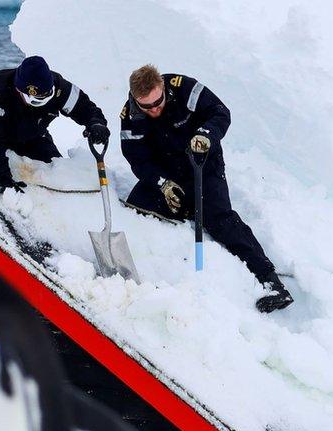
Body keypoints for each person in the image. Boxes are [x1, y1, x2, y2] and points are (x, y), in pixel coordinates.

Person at [118, 65, 293, 312]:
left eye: (158, 101)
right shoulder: (130, 117)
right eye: (147, 106)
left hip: (202, 163)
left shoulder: (184, 88)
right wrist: (162, 184)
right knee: (136, 206)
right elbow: (138, 160)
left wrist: (206, 134)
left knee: (218, 218)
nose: (155, 109)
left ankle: (270, 281)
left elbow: (221, 112)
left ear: (163, 88)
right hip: (168, 172)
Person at [0, 56, 110, 194]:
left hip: (32, 131)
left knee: (54, 168)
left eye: (44, 97)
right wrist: (3, 179)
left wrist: (97, 124)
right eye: (34, 99)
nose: (39, 101)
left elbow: (85, 108)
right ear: (19, 90)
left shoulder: (60, 88)